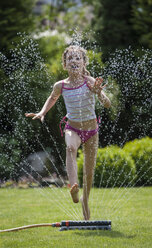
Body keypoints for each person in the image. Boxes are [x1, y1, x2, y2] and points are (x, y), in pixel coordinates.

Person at [25, 45, 111, 220]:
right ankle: (73, 187)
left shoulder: (90, 81)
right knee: (70, 148)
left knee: (89, 173)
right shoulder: (61, 85)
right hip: (73, 128)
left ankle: (85, 201)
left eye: (77, 58)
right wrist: (42, 112)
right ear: (64, 64)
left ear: (84, 62)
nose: (74, 61)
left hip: (91, 132)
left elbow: (107, 104)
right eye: (70, 58)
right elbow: (52, 97)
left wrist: (99, 93)